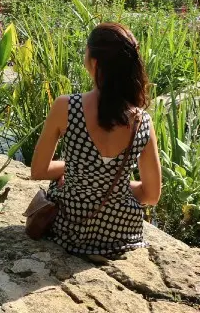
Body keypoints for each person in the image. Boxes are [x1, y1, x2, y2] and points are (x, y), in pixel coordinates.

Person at [30, 22, 162, 256]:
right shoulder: (142, 121)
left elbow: (39, 170)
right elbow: (151, 196)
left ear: (95, 63)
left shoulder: (66, 107)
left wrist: (73, 171)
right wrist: (111, 182)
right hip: (122, 233)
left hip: (71, 229)